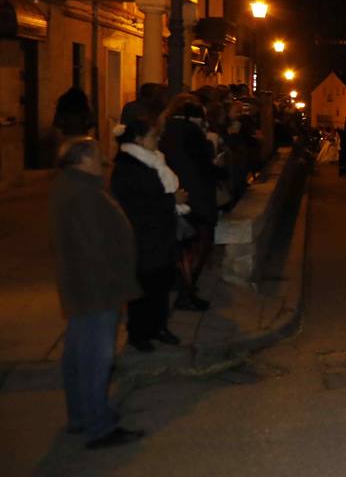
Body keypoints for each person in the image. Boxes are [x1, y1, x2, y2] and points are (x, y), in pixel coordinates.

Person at [50, 137, 145, 449]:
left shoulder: (72, 186)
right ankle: (98, 426)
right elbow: (95, 246)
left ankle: (82, 414)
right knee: (96, 357)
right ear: (82, 160)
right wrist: (116, 282)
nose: (102, 161)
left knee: (80, 352)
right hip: (96, 288)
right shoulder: (83, 193)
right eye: (96, 156)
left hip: (84, 286)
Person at [109, 115, 187, 353]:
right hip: (142, 236)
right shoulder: (128, 167)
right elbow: (135, 203)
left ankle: (158, 326)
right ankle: (139, 333)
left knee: (161, 283)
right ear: (139, 139)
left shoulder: (151, 160)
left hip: (159, 233)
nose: (158, 139)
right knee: (144, 285)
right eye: (154, 135)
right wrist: (171, 201)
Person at [158, 96, 220, 312]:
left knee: (182, 245)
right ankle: (187, 290)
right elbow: (204, 165)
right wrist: (220, 169)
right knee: (200, 242)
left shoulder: (164, 130)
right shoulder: (192, 132)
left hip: (175, 191)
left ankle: (184, 287)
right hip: (197, 194)